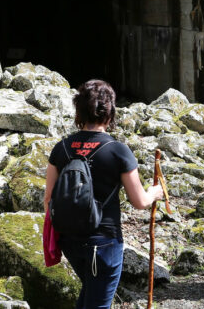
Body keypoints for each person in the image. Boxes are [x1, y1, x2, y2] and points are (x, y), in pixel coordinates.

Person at [43, 80, 163, 309]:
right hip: (104, 243)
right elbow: (139, 202)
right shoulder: (118, 151)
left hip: (68, 241)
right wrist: (154, 193)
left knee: (90, 294)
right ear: (110, 112)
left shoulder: (62, 148)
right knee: (97, 303)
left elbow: (48, 200)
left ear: (79, 110)